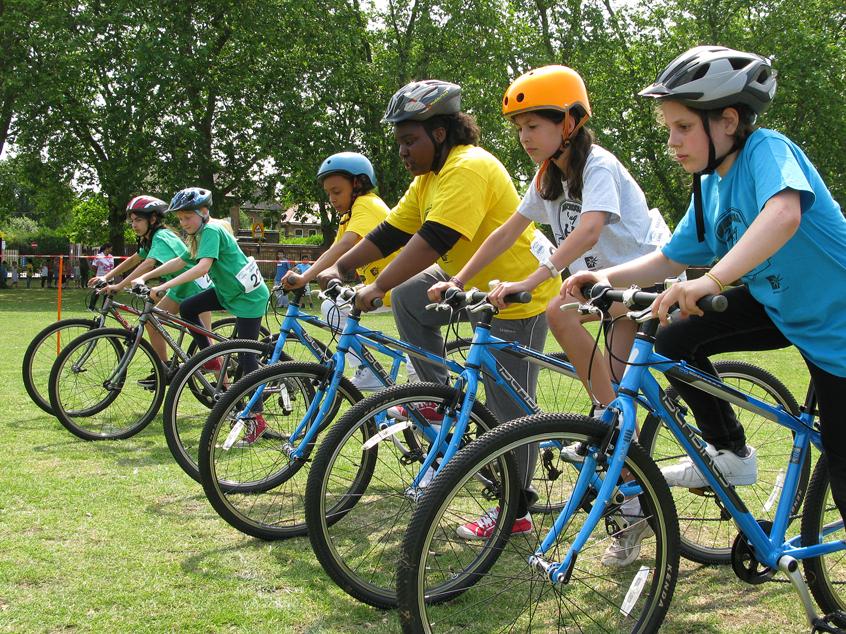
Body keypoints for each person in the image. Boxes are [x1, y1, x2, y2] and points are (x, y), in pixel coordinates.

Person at [564, 46, 846, 526]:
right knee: (674, 339)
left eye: (684, 126)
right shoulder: (710, 185)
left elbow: (784, 214)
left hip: (836, 324)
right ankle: (729, 451)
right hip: (780, 307)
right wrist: (604, 277)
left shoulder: (766, 150)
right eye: (668, 127)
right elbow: (671, 257)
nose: (672, 141)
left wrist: (712, 280)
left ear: (729, 121)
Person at [318, 80, 559, 536]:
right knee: (410, 296)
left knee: (508, 411)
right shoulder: (428, 178)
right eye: (400, 142)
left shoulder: (468, 166)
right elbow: (391, 232)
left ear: (441, 133)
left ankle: (516, 511)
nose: (402, 152)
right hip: (462, 284)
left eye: (410, 140)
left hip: (515, 296)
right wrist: (341, 268)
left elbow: (435, 239)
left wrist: (377, 286)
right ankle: (434, 396)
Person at [430, 65, 670, 433]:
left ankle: (607, 421)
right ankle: (616, 435)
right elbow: (506, 232)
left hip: (643, 280)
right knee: (617, 395)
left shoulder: (598, 166)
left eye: (533, 125)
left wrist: (532, 280)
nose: (524, 137)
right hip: (604, 290)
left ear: (569, 123)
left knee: (559, 310)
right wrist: (458, 280)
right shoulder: (547, 174)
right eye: (519, 128)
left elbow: (589, 231)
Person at [131, 187, 271, 444]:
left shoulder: (211, 231)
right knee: (188, 307)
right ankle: (212, 360)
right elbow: (180, 261)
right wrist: (145, 276)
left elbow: (202, 267)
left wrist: (163, 287)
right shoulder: (198, 234)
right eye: (180, 219)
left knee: (246, 356)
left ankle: (256, 419)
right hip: (228, 292)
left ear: (204, 212)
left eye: (188, 217)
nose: (183, 223)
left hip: (248, 298)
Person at [285, 151, 413, 390]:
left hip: (406, 287)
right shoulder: (348, 217)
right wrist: (305, 277)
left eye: (337, 191)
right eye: (328, 194)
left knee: (416, 357)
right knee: (331, 306)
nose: (332, 199)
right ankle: (368, 370)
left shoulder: (367, 204)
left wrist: (304, 277)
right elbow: (332, 253)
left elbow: (344, 246)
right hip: (382, 289)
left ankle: (424, 392)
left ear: (357, 184)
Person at [90, 195, 214, 386]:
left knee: (208, 349)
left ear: (153, 219)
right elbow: (134, 259)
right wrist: (106, 278)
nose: (134, 225)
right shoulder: (150, 239)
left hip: (196, 287)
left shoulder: (162, 236)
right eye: (132, 220)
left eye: (139, 220)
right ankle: (164, 368)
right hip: (178, 288)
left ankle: (227, 391)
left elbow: (148, 263)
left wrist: (119, 286)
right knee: (151, 322)